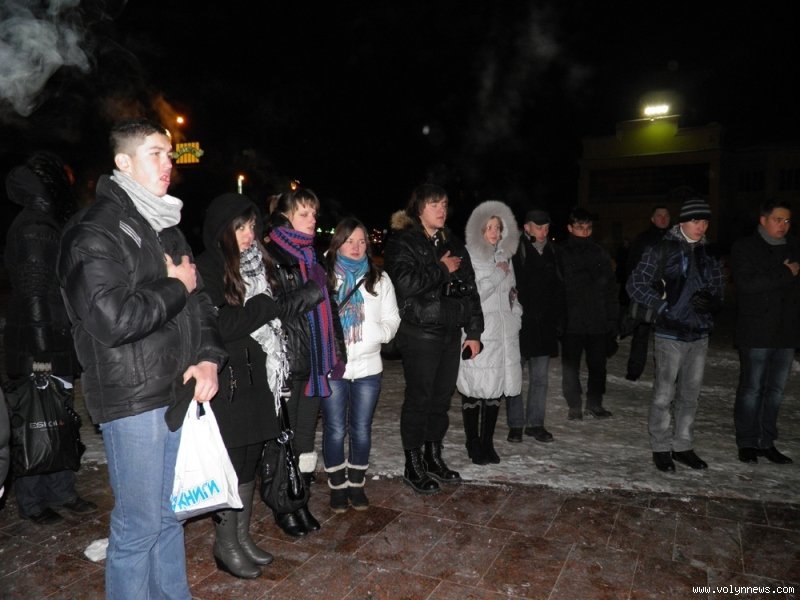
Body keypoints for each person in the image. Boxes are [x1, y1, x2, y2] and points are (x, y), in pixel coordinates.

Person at [57, 118, 227, 598]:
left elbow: (201, 302)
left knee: (171, 516)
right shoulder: (93, 230)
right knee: (138, 527)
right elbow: (112, 319)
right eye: (155, 153)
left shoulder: (166, 227)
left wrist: (208, 357)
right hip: (132, 398)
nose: (168, 163)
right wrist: (175, 286)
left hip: (177, 388)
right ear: (124, 163)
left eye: (170, 154)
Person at [196, 193, 324, 576]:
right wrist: (264, 308)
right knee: (234, 463)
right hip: (230, 383)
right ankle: (225, 546)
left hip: (258, 380)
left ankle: (242, 537)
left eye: (251, 226)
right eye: (240, 227)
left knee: (251, 461)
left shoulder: (255, 264)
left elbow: (268, 313)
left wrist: (285, 303)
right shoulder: (208, 266)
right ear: (222, 230)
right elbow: (221, 325)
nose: (249, 234)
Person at [3, 151, 97, 525]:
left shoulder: (44, 222)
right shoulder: (35, 227)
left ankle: (61, 491)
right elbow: (35, 295)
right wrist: (43, 356)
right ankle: (33, 500)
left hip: (52, 340)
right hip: (40, 345)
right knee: (35, 419)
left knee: (59, 418)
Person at [383, 183, 484, 494]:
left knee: (441, 400)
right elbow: (405, 283)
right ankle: (413, 463)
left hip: (450, 331)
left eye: (444, 204)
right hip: (420, 332)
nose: (442, 210)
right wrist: (441, 269)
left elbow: (470, 288)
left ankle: (432, 456)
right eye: (434, 204)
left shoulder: (452, 242)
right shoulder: (404, 241)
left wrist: (475, 332)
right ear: (419, 209)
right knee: (420, 398)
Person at [264, 188, 346, 534]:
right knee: (285, 438)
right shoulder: (271, 255)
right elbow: (272, 309)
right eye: (304, 213)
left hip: (314, 360)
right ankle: (283, 505)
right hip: (288, 359)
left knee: (305, 439)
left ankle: (300, 499)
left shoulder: (313, 256)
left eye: (314, 213)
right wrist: (310, 291)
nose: (313, 219)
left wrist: (336, 350)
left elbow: (330, 310)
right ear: (286, 216)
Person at [627, 196, 724, 472]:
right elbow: (635, 284)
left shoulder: (710, 252)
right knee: (663, 395)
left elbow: (719, 290)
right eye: (695, 221)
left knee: (690, 395)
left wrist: (713, 303)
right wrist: (661, 306)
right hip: (669, 333)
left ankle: (683, 446)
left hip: (699, 333)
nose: (701, 226)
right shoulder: (662, 248)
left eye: (705, 221)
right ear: (682, 222)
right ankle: (660, 447)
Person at [322, 217, 400, 511]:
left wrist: (375, 334)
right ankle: (337, 486)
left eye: (361, 241)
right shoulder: (324, 277)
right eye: (349, 241)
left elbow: (393, 319)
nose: (356, 247)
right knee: (334, 430)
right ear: (338, 243)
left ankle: (356, 483)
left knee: (361, 429)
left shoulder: (379, 279)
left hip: (368, 367)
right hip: (334, 367)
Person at [730, 199, 798, 465]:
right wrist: (784, 273)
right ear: (763, 220)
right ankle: (747, 441)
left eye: (787, 220)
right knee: (752, 388)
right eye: (778, 219)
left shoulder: (795, 247)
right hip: (756, 330)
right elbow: (747, 284)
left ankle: (767, 441)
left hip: (787, 332)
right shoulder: (745, 247)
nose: (783, 225)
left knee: (776, 391)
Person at [456, 200, 522, 464]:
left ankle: (487, 442)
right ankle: (473, 442)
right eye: (489, 227)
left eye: (498, 227)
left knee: (496, 389)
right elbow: (472, 296)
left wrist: (517, 315)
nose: (494, 232)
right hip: (479, 332)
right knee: (475, 387)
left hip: (504, 334)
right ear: (479, 230)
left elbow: (512, 292)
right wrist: (496, 276)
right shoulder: (470, 257)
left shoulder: (504, 256)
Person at [558, 207, 619, 420]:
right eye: (580, 227)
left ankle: (595, 403)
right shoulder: (562, 253)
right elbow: (556, 289)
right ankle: (574, 404)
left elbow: (611, 288)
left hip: (597, 320)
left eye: (588, 227)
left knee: (598, 366)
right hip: (572, 321)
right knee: (570, 367)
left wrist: (612, 319)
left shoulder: (600, 253)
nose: (584, 231)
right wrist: (559, 319)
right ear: (570, 228)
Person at [510, 208, 563, 443]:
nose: (543, 232)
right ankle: (515, 424)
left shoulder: (553, 251)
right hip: (520, 324)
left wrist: (558, 320)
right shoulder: (515, 250)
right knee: (515, 377)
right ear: (526, 227)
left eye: (546, 228)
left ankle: (535, 424)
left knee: (540, 378)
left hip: (545, 326)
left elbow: (559, 288)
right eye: (539, 227)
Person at [622, 206, 671, 381]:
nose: (663, 218)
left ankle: (665, 375)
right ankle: (634, 371)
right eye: (659, 215)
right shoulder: (643, 239)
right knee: (641, 333)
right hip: (646, 294)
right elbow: (632, 266)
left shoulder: (675, 239)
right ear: (652, 219)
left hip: (667, 296)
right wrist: (635, 292)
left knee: (665, 337)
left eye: (666, 215)